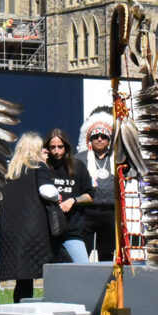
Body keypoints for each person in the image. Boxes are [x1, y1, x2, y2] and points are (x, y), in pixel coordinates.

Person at [0, 133, 56, 301]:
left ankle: (20, 309)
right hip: (35, 230)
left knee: (22, 279)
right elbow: (47, 192)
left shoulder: (9, 172)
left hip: (11, 232)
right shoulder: (38, 167)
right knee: (58, 266)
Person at [43, 128, 92, 263]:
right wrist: (41, 162)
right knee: (49, 272)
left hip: (72, 232)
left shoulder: (77, 166)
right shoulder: (43, 168)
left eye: (60, 147)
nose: (56, 151)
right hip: (47, 232)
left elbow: (90, 195)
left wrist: (73, 200)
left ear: (66, 147)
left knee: (82, 268)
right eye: (52, 147)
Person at [77, 110, 116, 260]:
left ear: (109, 140)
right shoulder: (79, 159)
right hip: (86, 212)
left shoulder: (117, 158)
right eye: (95, 136)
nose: (99, 139)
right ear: (90, 139)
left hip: (110, 212)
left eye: (104, 136)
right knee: (82, 253)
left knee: (107, 255)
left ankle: (106, 277)